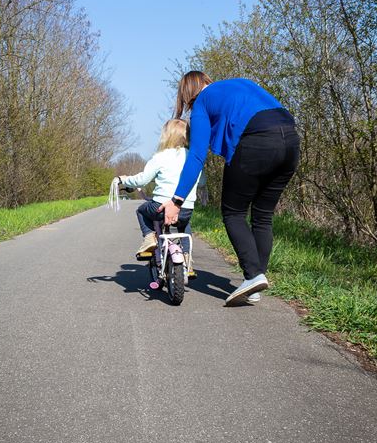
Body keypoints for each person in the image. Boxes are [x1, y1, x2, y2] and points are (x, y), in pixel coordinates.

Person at [159, 72, 300, 306]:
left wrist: (177, 200)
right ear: (206, 81)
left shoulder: (202, 102)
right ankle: (255, 281)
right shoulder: (242, 83)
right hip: (291, 141)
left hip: (256, 142)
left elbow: (196, 156)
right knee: (263, 216)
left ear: (187, 94)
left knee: (233, 212)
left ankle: (254, 275)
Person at [118, 118, 204, 274]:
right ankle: (186, 257)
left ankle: (150, 238)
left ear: (166, 135)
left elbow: (143, 179)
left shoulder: (161, 156)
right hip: (185, 208)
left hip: (160, 207)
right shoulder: (193, 157)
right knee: (184, 225)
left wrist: (124, 180)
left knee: (142, 211)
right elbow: (202, 181)